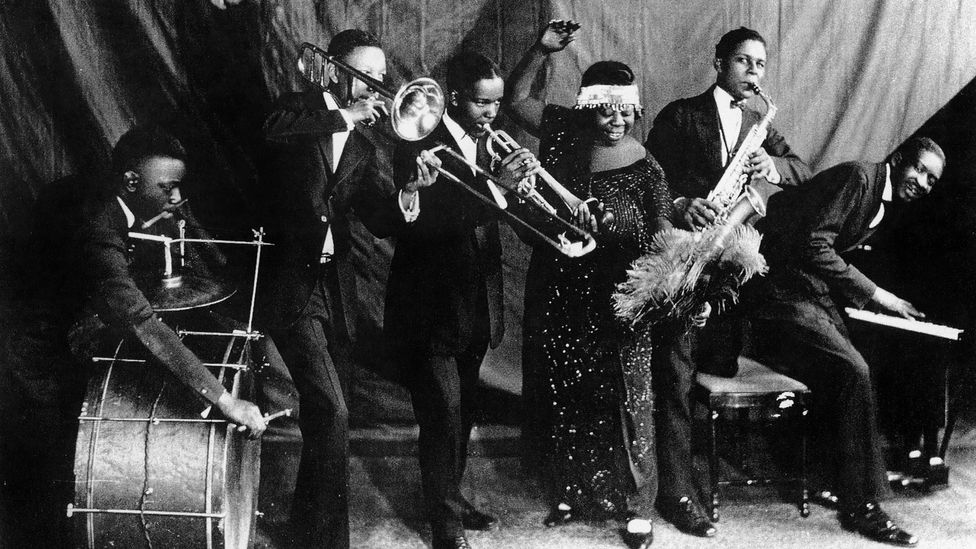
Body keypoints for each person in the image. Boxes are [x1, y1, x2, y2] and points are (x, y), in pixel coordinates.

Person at [505, 21, 673, 549]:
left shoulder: (650, 170)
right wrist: (540, 50)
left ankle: (638, 507)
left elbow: (665, 238)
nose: (617, 121)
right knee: (569, 392)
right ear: (586, 108)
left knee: (632, 400)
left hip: (625, 300)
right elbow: (514, 100)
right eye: (606, 109)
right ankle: (571, 490)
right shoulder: (560, 134)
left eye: (626, 111)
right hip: (564, 290)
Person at [643, 26, 811, 538]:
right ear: (719, 63)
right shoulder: (680, 114)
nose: (753, 73)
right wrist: (677, 204)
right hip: (683, 254)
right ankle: (675, 492)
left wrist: (774, 167)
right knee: (672, 376)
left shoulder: (760, 124)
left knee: (712, 368)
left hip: (729, 269)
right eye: (743, 62)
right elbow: (647, 178)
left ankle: (709, 472)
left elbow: (804, 170)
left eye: (760, 64)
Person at [747, 137, 945, 547]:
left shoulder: (882, 196)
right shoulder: (859, 177)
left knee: (851, 370)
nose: (923, 183)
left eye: (932, 180)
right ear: (898, 160)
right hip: (778, 292)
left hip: (808, 290)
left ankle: (829, 479)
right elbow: (813, 244)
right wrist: (879, 296)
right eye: (920, 170)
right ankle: (864, 506)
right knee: (854, 370)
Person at [260, 29, 409, 548]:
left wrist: (411, 193)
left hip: (335, 290)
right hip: (290, 285)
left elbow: (381, 220)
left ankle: (315, 534)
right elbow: (270, 135)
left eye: (381, 76)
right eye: (365, 74)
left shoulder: (366, 147)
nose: (377, 85)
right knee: (332, 411)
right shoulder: (293, 111)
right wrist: (343, 117)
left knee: (329, 419)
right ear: (333, 71)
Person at [384, 51, 539, 549]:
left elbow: (500, 219)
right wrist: (501, 190)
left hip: (478, 302)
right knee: (444, 412)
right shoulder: (418, 140)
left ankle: (447, 496)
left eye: (496, 103)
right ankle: (445, 524)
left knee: (465, 409)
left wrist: (522, 193)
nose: (492, 113)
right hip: (430, 305)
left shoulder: (490, 144)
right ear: (454, 97)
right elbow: (431, 223)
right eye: (480, 103)